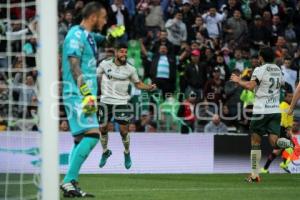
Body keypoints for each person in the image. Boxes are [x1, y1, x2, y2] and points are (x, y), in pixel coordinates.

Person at [60, 2, 107, 197]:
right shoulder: (75, 35)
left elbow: (102, 38)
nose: (105, 21)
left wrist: (114, 33)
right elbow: (74, 66)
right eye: (103, 17)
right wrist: (87, 93)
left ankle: (71, 183)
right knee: (94, 135)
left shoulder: (88, 35)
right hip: (78, 94)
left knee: (79, 139)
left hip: (84, 95)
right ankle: (67, 181)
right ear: (93, 17)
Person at [231, 46, 294, 183]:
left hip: (261, 112)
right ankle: (289, 143)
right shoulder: (278, 69)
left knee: (255, 142)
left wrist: (238, 80)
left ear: (261, 57)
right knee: (274, 142)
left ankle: (254, 175)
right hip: (275, 111)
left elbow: (250, 86)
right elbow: (285, 85)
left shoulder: (260, 70)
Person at [97, 42, 156, 169]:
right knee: (102, 129)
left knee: (124, 131)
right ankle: (105, 151)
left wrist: (148, 87)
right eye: (122, 52)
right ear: (116, 52)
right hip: (105, 101)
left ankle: (127, 152)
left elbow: (138, 84)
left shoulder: (131, 69)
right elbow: (95, 76)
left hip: (121, 102)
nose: (124, 54)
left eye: (125, 52)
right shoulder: (104, 64)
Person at [260, 91, 294, 173]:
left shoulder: (288, 106)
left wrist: (289, 128)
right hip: (282, 128)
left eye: (292, 96)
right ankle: (285, 163)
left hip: (282, 129)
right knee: (291, 146)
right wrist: (287, 129)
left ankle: (265, 169)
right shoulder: (283, 106)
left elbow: (289, 119)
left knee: (276, 151)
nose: (291, 98)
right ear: (285, 97)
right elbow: (282, 119)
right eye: (289, 96)